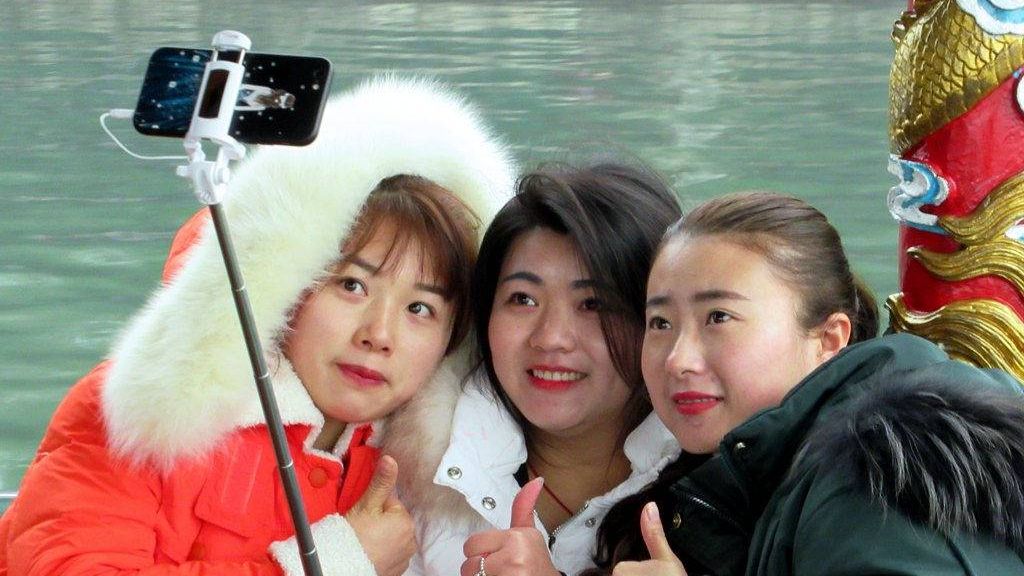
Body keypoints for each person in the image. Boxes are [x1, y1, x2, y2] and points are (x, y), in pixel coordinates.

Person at [0, 76, 515, 576]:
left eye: (420, 309)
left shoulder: (446, 470)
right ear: (289, 284)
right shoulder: (146, 409)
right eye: (352, 285)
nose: (378, 335)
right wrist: (336, 564)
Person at [588, 192, 1024, 576]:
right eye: (660, 322)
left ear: (828, 339)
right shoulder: (751, 475)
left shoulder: (879, 478)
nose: (677, 360)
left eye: (719, 317)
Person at [378, 162, 684, 576]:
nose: (551, 338)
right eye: (522, 299)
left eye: (593, 304)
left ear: (657, 320)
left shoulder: (721, 483)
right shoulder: (399, 463)